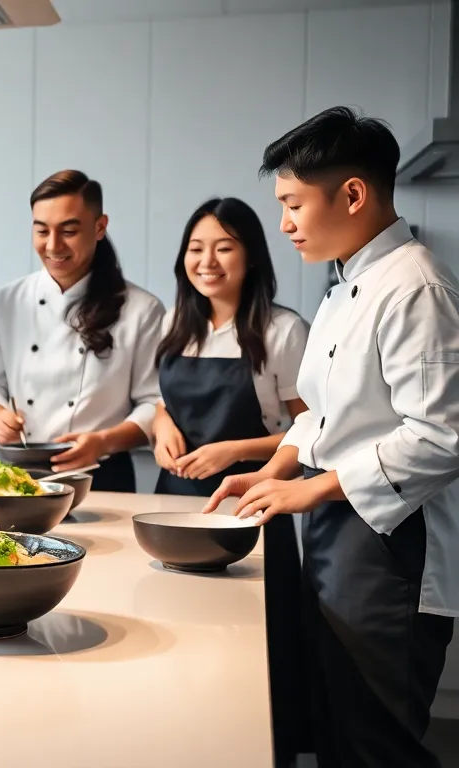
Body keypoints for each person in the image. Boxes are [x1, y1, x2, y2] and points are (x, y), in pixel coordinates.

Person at [206, 106, 459, 768]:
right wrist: (275, 473)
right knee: (338, 728)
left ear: (352, 194)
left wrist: (313, 489)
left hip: (391, 545)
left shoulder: (416, 286)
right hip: (337, 530)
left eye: (293, 204)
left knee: (376, 742)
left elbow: (442, 436)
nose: (284, 224)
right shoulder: (348, 282)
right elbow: (321, 412)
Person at [151, 197, 311, 767]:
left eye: (224, 247)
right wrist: (161, 424)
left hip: (251, 510)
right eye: (196, 248)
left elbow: (310, 430)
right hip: (174, 507)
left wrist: (233, 452)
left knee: (244, 654)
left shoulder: (283, 329)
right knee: (174, 637)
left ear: (252, 256)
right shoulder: (177, 326)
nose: (207, 261)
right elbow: (156, 401)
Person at [0, 170, 163, 492]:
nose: (53, 245)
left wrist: (102, 442)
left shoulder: (141, 310)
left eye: (69, 231)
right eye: (41, 230)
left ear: (100, 227)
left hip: (100, 476)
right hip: (13, 476)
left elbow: (153, 403)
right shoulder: (6, 302)